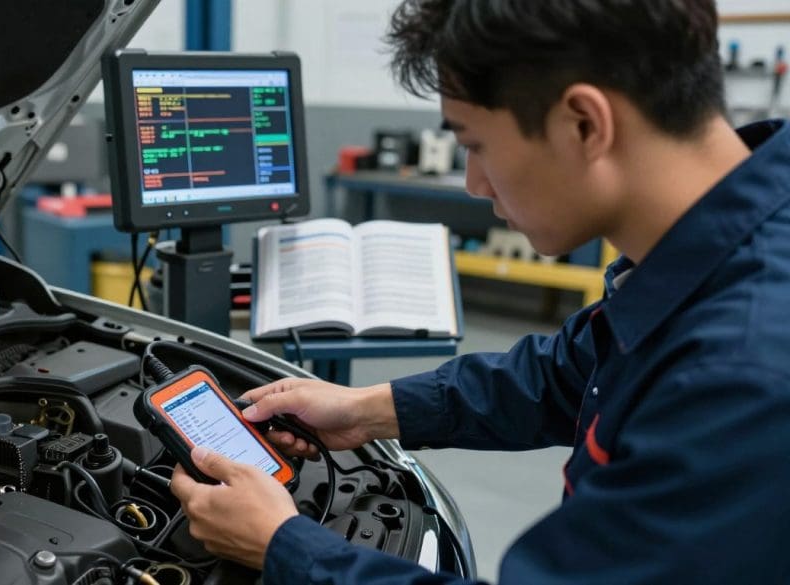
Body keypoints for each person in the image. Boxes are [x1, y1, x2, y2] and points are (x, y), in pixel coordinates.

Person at [170, 0, 790, 583]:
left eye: (475, 144)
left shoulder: (741, 375)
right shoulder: (721, 248)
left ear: (584, 123)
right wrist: (368, 409)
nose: (472, 184)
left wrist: (283, 544)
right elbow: (567, 373)